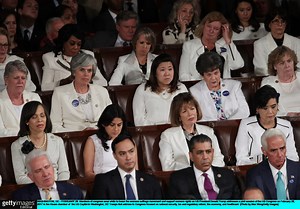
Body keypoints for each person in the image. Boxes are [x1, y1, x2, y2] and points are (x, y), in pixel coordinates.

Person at [159, 92, 224, 171]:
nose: (190, 114)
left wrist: (206, 171)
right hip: (183, 177)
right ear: (179, 116)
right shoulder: (168, 135)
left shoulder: (208, 131)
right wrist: (194, 171)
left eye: (192, 109)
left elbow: (219, 159)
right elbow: (167, 166)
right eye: (184, 111)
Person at [235, 85, 299, 166]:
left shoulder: (286, 126)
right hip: (256, 170)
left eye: (273, 107)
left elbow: (293, 157)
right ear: (257, 109)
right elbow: (241, 159)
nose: (270, 112)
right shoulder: (246, 125)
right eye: (265, 108)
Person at [11, 101, 70, 184]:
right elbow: (20, 177)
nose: (40, 120)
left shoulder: (57, 141)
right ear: (27, 121)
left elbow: (64, 172)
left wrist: (56, 187)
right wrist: (41, 186)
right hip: (33, 189)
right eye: (34, 117)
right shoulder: (17, 145)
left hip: (57, 186)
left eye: (42, 116)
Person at [50, 52, 112, 132]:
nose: (86, 74)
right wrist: (79, 133)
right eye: (82, 70)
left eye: (89, 70)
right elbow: (54, 126)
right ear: (74, 72)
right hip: (74, 139)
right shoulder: (59, 93)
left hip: (100, 136)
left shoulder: (102, 91)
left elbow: (112, 119)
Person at [168, 134, 241, 199]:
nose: (205, 157)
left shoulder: (228, 175)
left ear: (213, 153)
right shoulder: (178, 179)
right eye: (200, 153)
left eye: (208, 152)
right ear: (191, 156)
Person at [91, 134, 162, 199]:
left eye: (131, 151)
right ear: (115, 156)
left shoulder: (151, 181)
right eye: (122, 154)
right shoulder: (103, 181)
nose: (128, 157)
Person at [179, 11, 244, 81]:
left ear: (221, 31)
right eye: (209, 26)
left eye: (216, 29)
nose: (211, 31)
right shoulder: (189, 46)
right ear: (203, 26)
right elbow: (183, 76)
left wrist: (228, 41)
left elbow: (237, 65)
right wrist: (204, 82)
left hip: (223, 87)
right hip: (199, 88)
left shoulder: (225, 45)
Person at [41, 24, 107, 91]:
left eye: (79, 44)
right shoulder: (50, 58)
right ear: (63, 42)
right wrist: (64, 82)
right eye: (72, 43)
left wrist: (87, 82)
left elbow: (103, 82)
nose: (76, 47)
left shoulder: (88, 55)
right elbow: (45, 87)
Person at [190, 51, 249, 121]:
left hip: (234, 126)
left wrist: (226, 123)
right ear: (202, 75)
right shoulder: (194, 91)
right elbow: (197, 117)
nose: (213, 78)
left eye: (216, 73)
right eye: (209, 75)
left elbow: (245, 111)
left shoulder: (234, 86)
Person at [132, 53, 188, 126]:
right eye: (162, 70)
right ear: (155, 72)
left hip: (176, 132)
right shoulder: (142, 89)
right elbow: (139, 120)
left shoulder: (181, 88)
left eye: (170, 69)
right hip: (150, 133)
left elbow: (187, 114)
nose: (167, 73)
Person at [246, 128, 300, 199]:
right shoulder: (255, 175)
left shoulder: (298, 170)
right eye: (273, 150)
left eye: (282, 148)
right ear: (264, 151)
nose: (280, 155)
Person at [12, 149, 82, 200]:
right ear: (31, 177)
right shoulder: (21, 197)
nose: (45, 174)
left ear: (53, 168)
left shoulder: (74, 191)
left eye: (47, 167)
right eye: (38, 171)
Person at [83, 104, 128, 178]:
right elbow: (88, 172)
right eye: (112, 125)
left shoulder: (128, 141)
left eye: (119, 125)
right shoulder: (93, 141)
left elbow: (134, 169)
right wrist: (104, 181)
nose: (116, 129)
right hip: (103, 182)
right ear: (104, 124)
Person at [253, 7, 300, 76]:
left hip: (293, 79)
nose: (280, 24)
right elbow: (260, 69)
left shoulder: (296, 42)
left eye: (282, 21)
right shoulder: (259, 44)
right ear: (269, 24)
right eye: (276, 21)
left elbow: (299, 66)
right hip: (271, 80)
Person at [0, 60, 40, 137]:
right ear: (6, 80)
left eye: (23, 78)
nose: (20, 81)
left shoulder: (34, 98)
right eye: (16, 78)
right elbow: (1, 132)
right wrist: (25, 134)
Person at [261, 46, 300, 116]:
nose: (287, 65)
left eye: (289, 61)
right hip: (282, 121)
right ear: (275, 66)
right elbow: (266, 108)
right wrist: (286, 114)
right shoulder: (268, 83)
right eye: (282, 63)